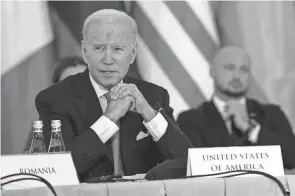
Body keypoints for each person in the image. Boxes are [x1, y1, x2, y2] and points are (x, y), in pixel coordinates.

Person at [35, 9, 192, 181]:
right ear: (85, 51)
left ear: (132, 54)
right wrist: (109, 119)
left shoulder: (153, 95)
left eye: (117, 49)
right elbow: (61, 168)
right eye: (99, 48)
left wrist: (149, 114)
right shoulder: (55, 99)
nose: (108, 59)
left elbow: (186, 161)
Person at [177, 46, 295, 169]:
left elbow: (292, 157)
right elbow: (192, 167)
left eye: (244, 70)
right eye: (229, 68)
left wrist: (251, 130)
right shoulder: (190, 120)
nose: (237, 76)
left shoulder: (272, 114)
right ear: (212, 71)